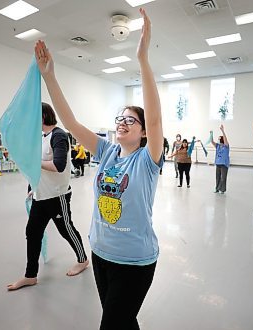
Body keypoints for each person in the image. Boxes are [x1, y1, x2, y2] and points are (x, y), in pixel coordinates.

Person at [34, 8, 163, 329]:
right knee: (122, 321)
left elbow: (157, 118)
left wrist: (143, 59)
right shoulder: (105, 151)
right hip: (101, 254)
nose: (122, 122)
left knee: (112, 323)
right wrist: (49, 75)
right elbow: (71, 122)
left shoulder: (148, 159)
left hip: (135, 260)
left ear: (143, 132)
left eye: (130, 120)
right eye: (119, 118)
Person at [7, 103, 89, 291]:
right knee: (32, 233)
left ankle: (83, 260)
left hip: (57, 195)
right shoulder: (40, 137)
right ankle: (30, 275)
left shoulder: (59, 135)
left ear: (43, 116)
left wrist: (34, 161)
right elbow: (36, 169)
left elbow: (58, 165)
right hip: (40, 195)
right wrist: (32, 186)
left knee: (66, 229)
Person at [210, 124, 230, 194]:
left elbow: (225, 139)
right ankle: (217, 189)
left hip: (224, 164)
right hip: (218, 163)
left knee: (223, 178)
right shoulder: (217, 146)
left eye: (219, 139)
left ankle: (222, 189)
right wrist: (211, 134)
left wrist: (222, 131)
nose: (218, 140)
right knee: (217, 177)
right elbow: (212, 141)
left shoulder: (226, 146)